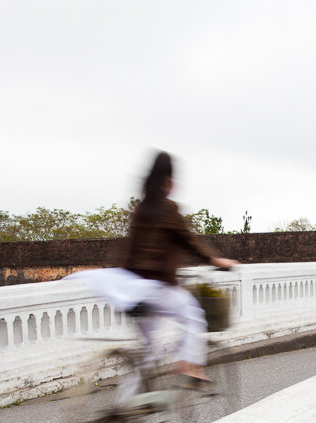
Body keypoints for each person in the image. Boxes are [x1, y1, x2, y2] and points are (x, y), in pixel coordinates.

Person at [68, 151, 236, 383]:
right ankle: (190, 366)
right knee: (194, 316)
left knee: (148, 352)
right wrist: (217, 260)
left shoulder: (141, 209)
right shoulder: (168, 209)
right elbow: (189, 241)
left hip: (129, 289)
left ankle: (129, 408)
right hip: (156, 289)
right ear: (168, 181)